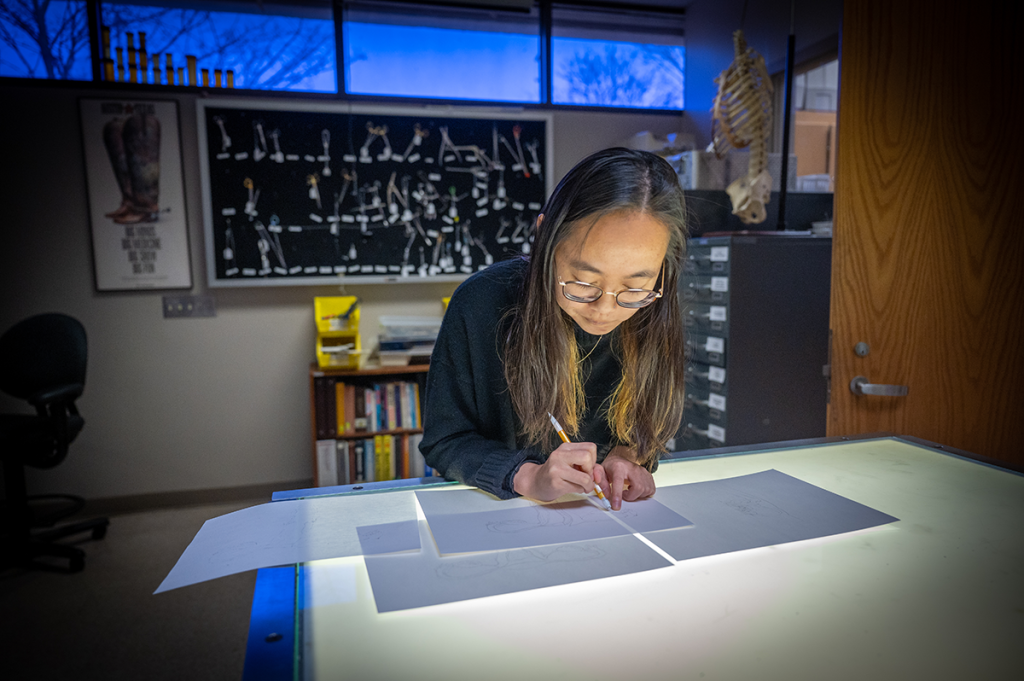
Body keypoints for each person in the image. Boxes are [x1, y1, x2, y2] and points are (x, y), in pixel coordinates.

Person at [420, 147, 688, 510]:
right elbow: (445, 440)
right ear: (545, 236)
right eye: (583, 282)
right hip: (495, 515)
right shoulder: (481, 303)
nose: (605, 310)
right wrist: (529, 476)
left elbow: (649, 424)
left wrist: (627, 457)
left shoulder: (653, 308)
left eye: (634, 287)